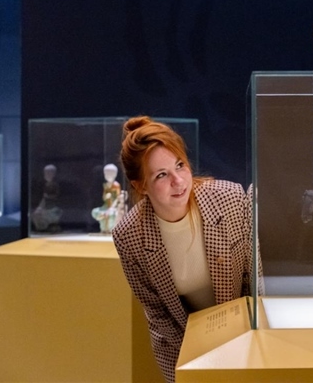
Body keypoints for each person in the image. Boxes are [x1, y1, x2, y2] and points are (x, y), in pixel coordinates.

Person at [112, 116, 264, 383]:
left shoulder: (230, 199)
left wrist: (243, 341)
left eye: (180, 165)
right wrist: (195, 353)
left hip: (242, 335)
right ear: (141, 186)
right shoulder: (129, 236)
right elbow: (157, 312)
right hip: (179, 344)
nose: (179, 181)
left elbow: (253, 284)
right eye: (161, 175)